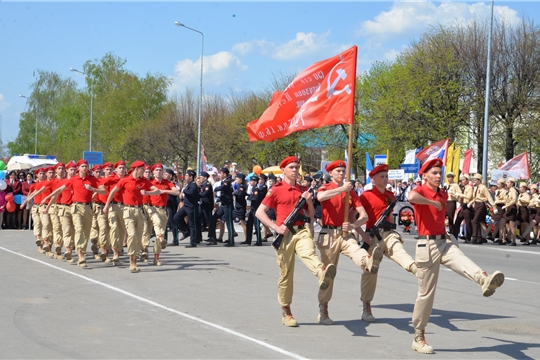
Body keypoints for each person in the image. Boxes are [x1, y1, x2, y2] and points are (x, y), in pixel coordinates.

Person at [407, 158, 505, 354]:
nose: (438, 176)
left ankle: (483, 279)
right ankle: (419, 336)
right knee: (426, 294)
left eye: (439, 172)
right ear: (424, 175)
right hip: (426, 245)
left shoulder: (443, 193)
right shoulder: (421, 190)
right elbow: (411, 197)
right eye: (433, 173)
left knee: (463, 260)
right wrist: (430, 202)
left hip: (444, 241)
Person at [255, 156, 337, 327]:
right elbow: (260, 212)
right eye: (291, 167)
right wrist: (275, 228)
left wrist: (308, 201)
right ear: (283, 170)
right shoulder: (276, 189)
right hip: (284, 235)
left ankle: (321, 272)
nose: (294, 170)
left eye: (296, 167)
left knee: (309, 252)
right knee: (286, 275)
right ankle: (286, 312)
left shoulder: (303, 189)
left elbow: (310, 214)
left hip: (301, 231)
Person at [315, 160, 380, 325]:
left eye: (343, 171)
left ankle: (369, 261)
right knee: (328, 274)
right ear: (331, 173)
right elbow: (320, 197)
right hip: (329, 234)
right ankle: (323, 309)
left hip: (345, 233)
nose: (341, 174)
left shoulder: (351, 193)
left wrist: (353, 225)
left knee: (357, 251)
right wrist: (341, 189)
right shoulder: (327, 188)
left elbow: (363, 215)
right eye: (338, 171)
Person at [357, 164, 418, 322]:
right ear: (374, 179)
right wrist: (363, 236)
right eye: (382, 177)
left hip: (388, 233)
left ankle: (416, 269)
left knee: (398, 250)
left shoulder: (391, 195)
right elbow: (354, 217)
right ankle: (366, 306)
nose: (385, 179)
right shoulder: (366, 195)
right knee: (370, 272)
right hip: (372, 235)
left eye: (386, 176)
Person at [103, 161, 162, 272]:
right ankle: (132, 262)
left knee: (138, 238)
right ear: (136, 169)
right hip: (128, 210)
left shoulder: (144, 181)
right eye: (142, 169)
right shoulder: (124, 180)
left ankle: (134, 257)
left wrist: (148, 193)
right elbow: (112, 192)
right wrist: (106, 206)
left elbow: (157, 190)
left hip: (139, 210)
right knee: (132, 234)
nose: (144, 171)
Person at [147, 164, 180, 264]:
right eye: (156, 170)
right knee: (156, 227)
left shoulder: (167, 183)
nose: (158, 172)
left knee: (160, 232)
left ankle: (156, 257)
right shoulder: (150, 182)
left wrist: (164, 191)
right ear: (153, 172)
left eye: (160, 170)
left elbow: (177, 192)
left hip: (163, 210)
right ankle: (144, 249)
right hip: (152, 209)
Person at [174, 170, 201, 248]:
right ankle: (186, 231)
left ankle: (193, 242)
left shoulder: (193, 184)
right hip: (186, 206)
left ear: (191, 177)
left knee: (192, 225)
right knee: (176, 217)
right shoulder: (188, 184)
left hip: (192, 207)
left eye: (187, 175)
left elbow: (191, 192)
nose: (185, 177)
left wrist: (184, 191)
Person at [470, 174, 495, 245]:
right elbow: (474, 197)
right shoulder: (475, 188)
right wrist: (471, 203)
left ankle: (474, 237)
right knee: (477, 221)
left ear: (479, 180)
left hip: (481, 204)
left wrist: (493, 206)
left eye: (475, 180)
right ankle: (479, 238)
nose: (474, 181)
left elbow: (489, 197)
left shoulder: (483, 187)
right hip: (476, 204)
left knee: (474, 221)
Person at [242, 175, 263, 246]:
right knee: (249, 224)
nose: (250, 182)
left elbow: (255, 198)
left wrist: (248, 198)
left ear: (255, 182)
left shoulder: (256, 189)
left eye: (252, 181)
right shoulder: (253, 189)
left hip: (256, 209)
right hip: (252, 209)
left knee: (257, 225)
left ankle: (259, 241)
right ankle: (248, 240)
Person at [453, 174, 473, 242]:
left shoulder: (469, 188)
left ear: (467, 180)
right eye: (462, 179)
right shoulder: (463, 187)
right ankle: (455, 237)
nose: (462, 181)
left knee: (468, 222)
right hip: (462, 206)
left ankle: (468, 238)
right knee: (457, 222)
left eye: (464, 179)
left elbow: (469, 197)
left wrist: (460, 195)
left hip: (467, 206)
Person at [499, 177, 518, 246]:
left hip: (512, 208)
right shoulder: (509, 191)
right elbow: (505, 200)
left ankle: (514, 241)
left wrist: (506, 206)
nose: (506, 184)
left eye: (508, 182)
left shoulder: (513, 191)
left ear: (512, 183)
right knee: (501, 222)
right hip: (508, 208)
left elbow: (514, 200)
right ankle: (503, 239)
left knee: (512, 225)